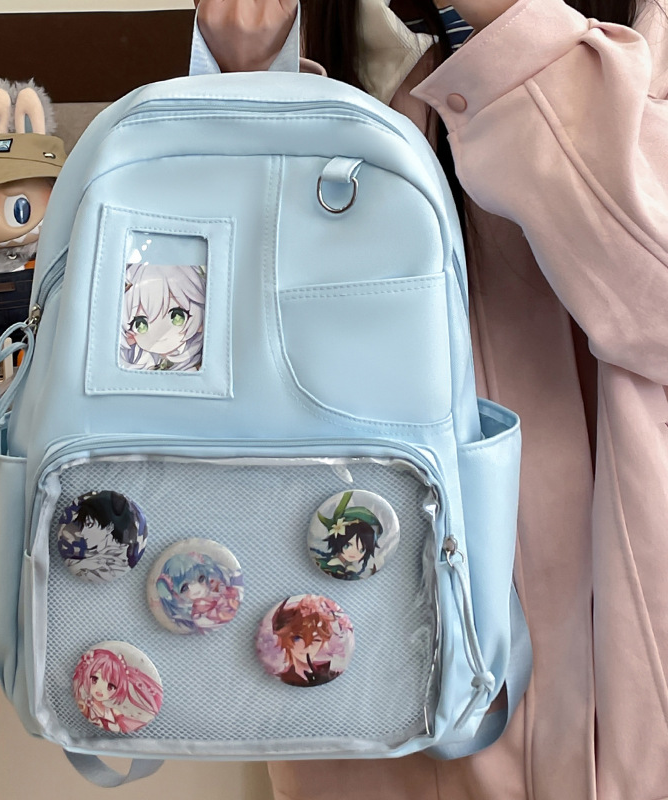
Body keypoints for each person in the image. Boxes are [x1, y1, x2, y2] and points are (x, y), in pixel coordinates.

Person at [195, 0, 668, 799]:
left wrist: (515, 30)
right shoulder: (381, 96)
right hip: (378, 714)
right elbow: (219, 364)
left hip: (621, 716)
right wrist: (251, 86)